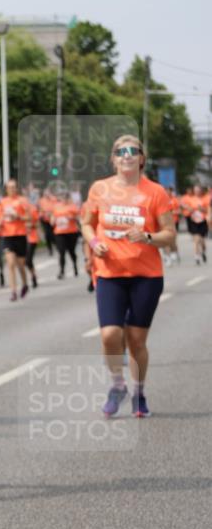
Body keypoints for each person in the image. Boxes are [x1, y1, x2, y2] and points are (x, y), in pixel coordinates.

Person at [81, 134, 175, 418]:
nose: (127, 155)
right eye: (120, 151)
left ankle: (139, 391)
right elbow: (86, 222)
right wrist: (95, 245)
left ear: (142, 158)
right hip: (109, 272)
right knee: (110, 334)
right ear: (113, 158)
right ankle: (118, 385)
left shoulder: (155, 192)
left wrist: (147, 236)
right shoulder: (100, 188)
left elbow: (169, 234)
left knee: (136, 341)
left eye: (133, 150)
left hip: (146, 275)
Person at [0, 179, 29, 301]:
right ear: (6, 189)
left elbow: (29, 217)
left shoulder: (22, 201)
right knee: (10, 264)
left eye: (14, 187)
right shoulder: (3, 202)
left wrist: (18, 216)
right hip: (8, 235)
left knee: (21, 265)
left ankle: (25, 284)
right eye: (10, 187)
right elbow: (1, 216)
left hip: (20, 235)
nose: (12, 189)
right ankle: (13, 291)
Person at [51, 189, 81, 279]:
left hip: (71, 232)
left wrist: (72, 217)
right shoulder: (56, 206)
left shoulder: (73, 206)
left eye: (65, 197)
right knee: (61, 252)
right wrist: (53, 221)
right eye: (62, 197)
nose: (63, 199)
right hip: (59, 233)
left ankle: (75, 266)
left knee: (71, 251)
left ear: (68, 198)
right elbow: (53, 218)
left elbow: (79, 218)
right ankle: (62, 271)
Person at [188, 184, 208, 265]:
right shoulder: (191, 199)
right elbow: (188, 210)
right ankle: (196, 256)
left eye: (198, 190)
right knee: (196, 239)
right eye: (195, 190)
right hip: (194, 221)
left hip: (202, 221)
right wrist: (191, 209)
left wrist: (202, 209)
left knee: (202, 241)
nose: (197, 191)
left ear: (201, 191)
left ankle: (203, 251)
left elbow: (208, 210)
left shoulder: (205, 199)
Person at [25, 195, 40, 288]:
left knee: (28, 260)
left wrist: (30, 225)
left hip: (32, 238)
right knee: (25, 261)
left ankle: (33, 276)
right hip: (22, 238)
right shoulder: (16, 210)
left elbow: (37, 223)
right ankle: (32, 275)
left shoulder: (32, 209)